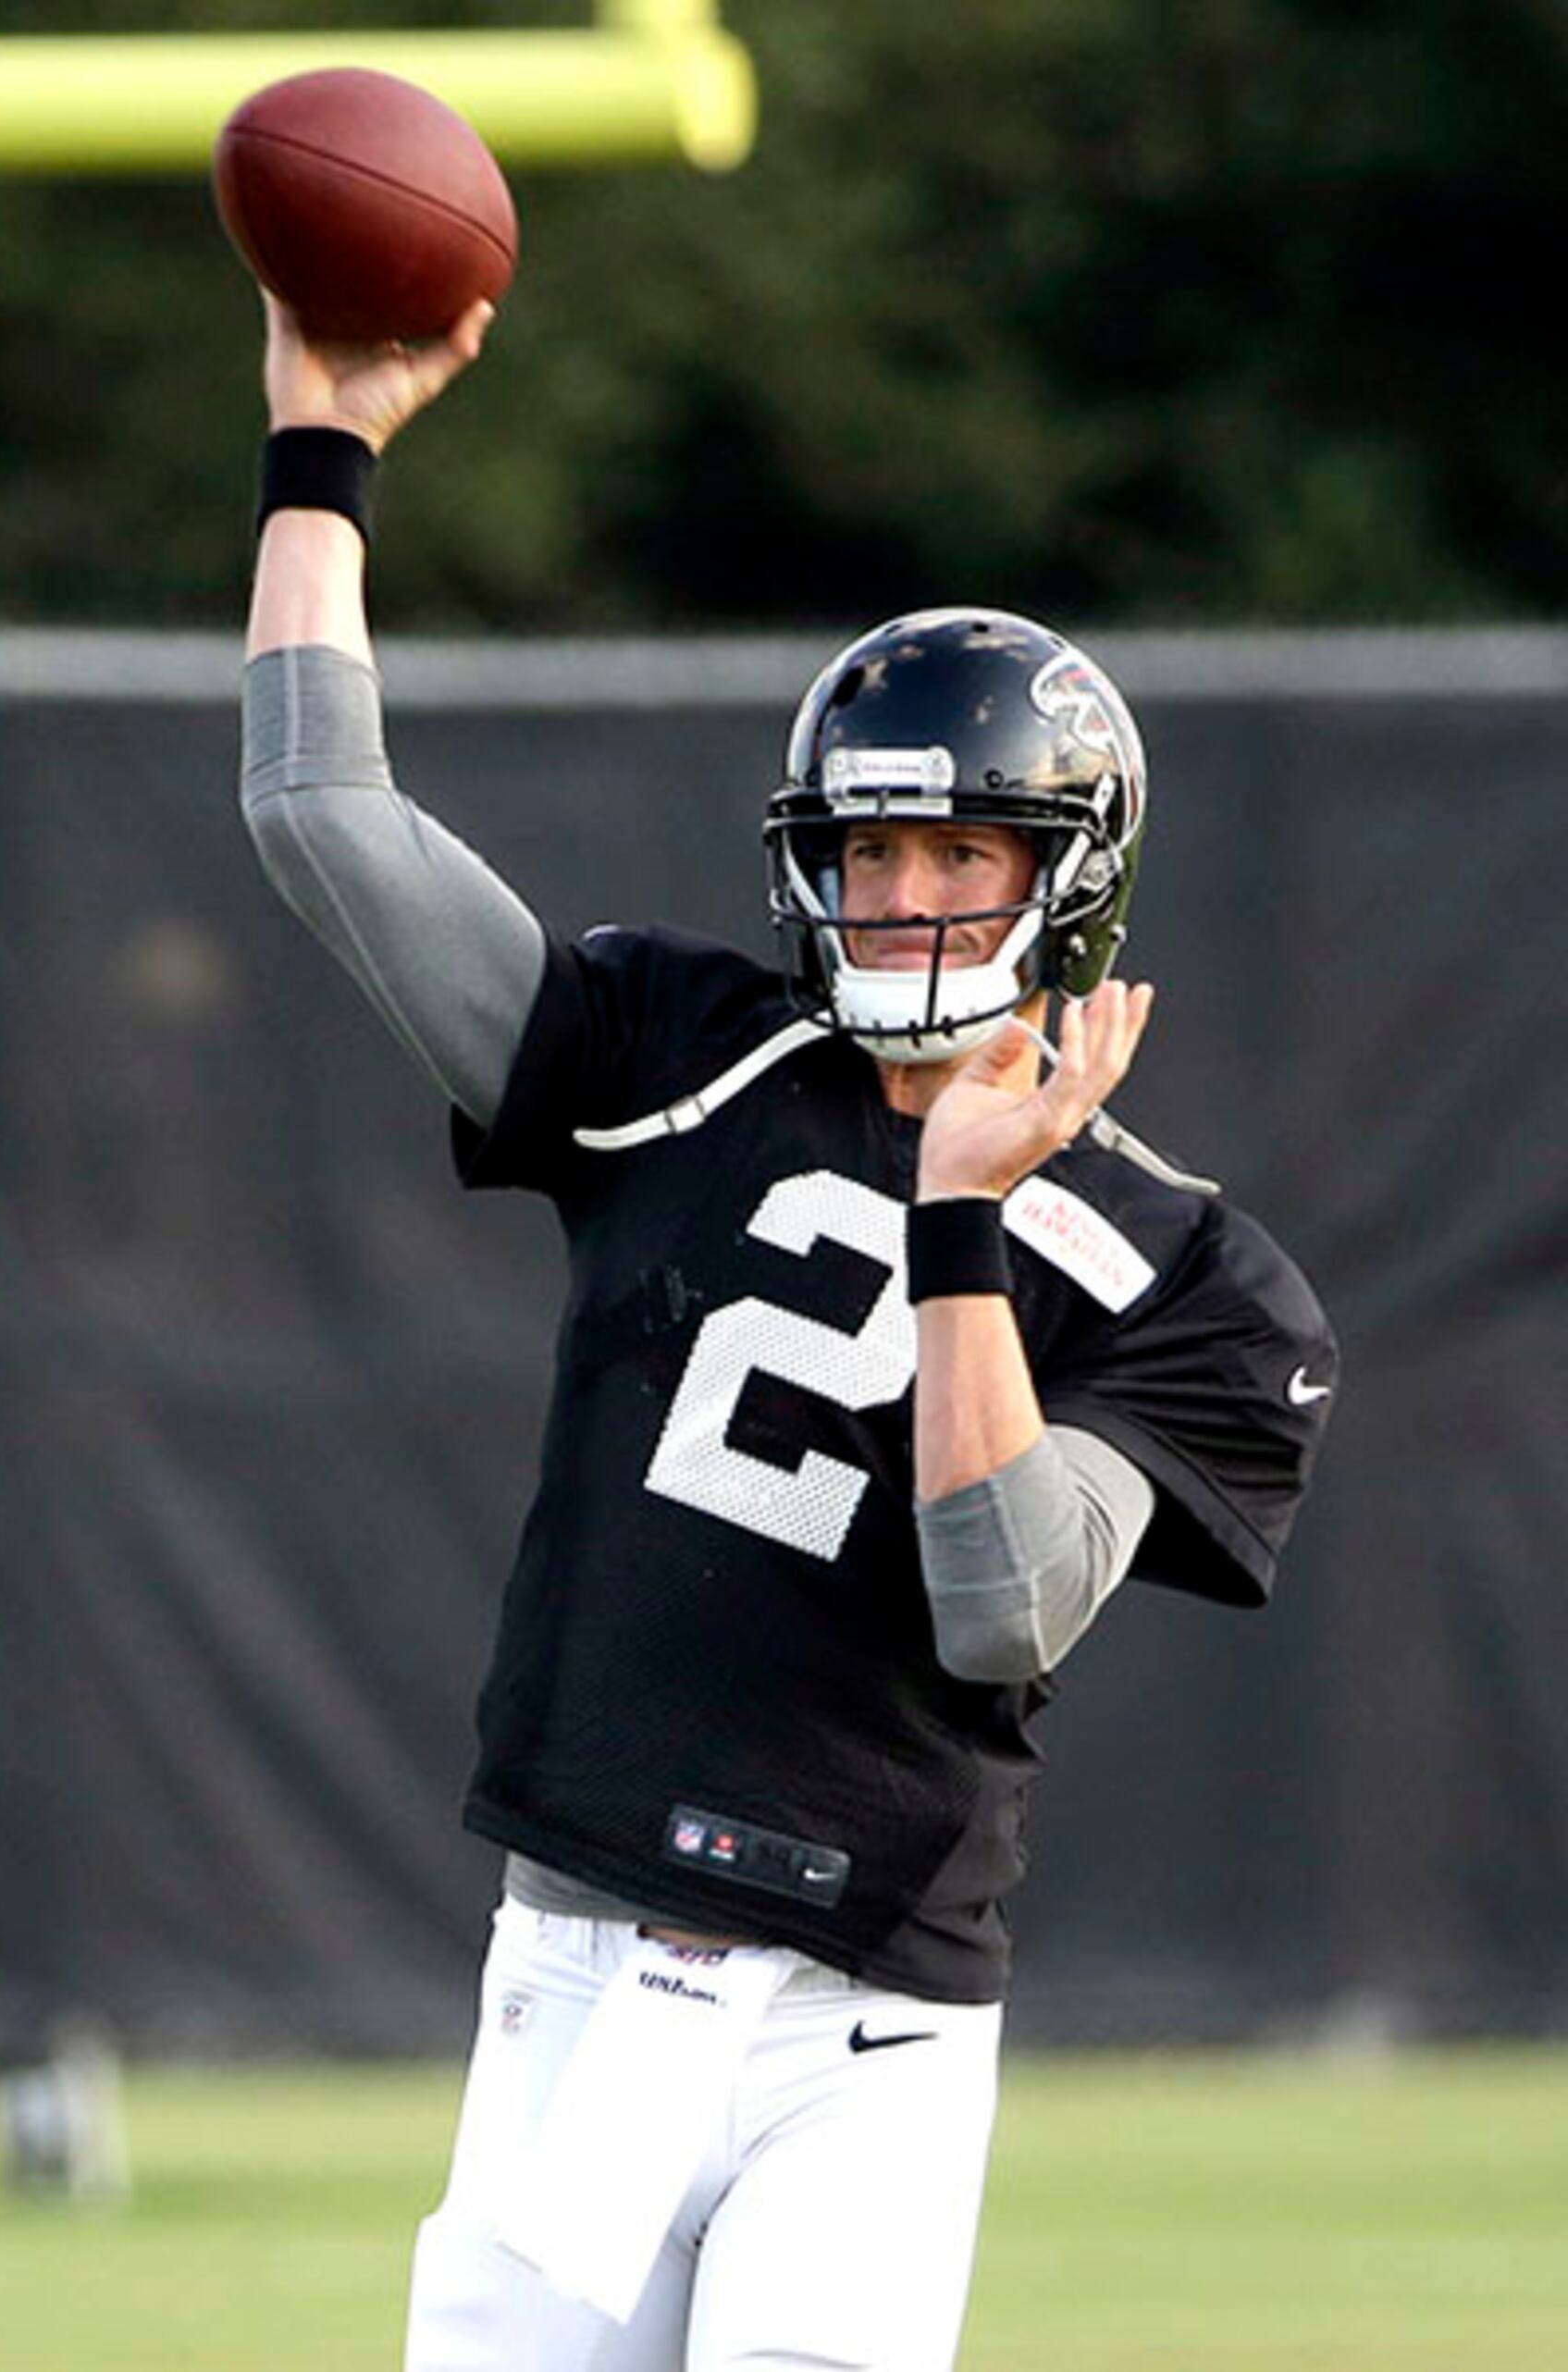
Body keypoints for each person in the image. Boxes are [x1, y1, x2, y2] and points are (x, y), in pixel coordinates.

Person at [237, 292, 1337, 2371]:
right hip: (582, 1970)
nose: (905, 896)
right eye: (872, 849)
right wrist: (322, 449)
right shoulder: (681, 1049)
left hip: (873, 2024)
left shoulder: (1196, 1275)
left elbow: (1004, 1602)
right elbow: (322, 826)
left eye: (962, 851)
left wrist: (960, 1224)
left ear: (1063, 880)